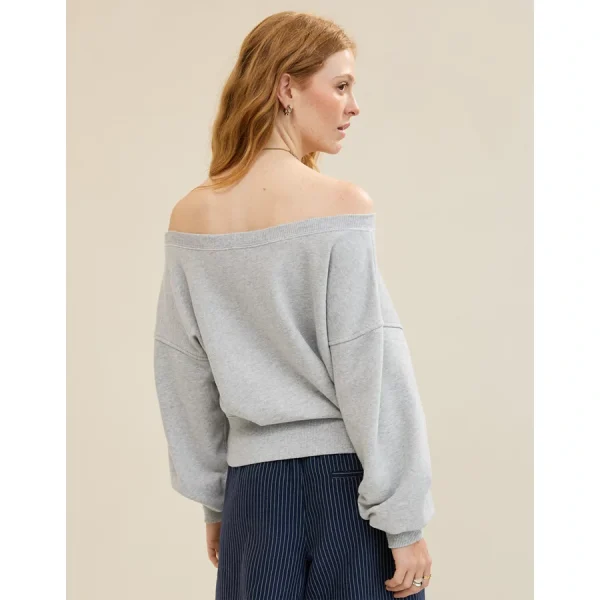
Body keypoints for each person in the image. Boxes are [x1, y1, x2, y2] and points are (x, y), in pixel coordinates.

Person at [153, 10, 435, 600]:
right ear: (287, 87)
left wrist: (216, 502)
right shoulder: (341, 205)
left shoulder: (191, 215)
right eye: (341, 85)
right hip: (346, 491)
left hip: (253, 493)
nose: (353, 106)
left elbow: (184, 372)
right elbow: (371, 368)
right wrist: (404, 520)